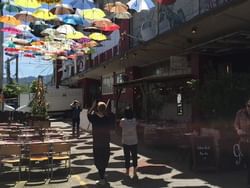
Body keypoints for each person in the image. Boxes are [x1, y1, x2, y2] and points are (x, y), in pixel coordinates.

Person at [87, 100, 114, 186]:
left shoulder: (94, 118)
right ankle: (103, 175)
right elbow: (112, 116)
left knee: (98, 160)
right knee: (105, 158)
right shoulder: (107, 119)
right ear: (104, 109)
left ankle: (101, 177)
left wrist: (92, 106)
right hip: (106, 142)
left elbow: (88, 113)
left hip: (97, 142)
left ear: (97, 109)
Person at [234, 99, 250, 187]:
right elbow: (236, 124)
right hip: (243, 141)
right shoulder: (240, 113)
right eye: (249, 106)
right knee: (247, 161)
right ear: (246, 106)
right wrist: (238, 130)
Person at [119, 106, 138, 178]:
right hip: (134, 141)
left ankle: (127, 171)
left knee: (127, 157)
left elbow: (120, 126)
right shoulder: (134, 120)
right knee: (134, 156)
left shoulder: (122, 120)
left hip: (126, 141)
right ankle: (135, 171)